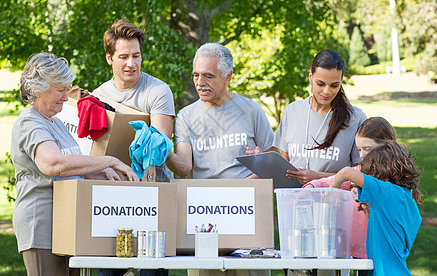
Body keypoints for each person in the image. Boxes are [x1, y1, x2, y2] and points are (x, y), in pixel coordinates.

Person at [11, 53, 139, 276]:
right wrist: (107, 160)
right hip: (41, 227)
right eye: (60, 90)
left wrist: (104, 172)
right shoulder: (29, 122)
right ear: (39, 88)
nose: (65, 97)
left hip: (67, 226)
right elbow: (52, 163)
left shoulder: (56, 122)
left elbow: (71, 169)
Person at [166, 42, 276, 179]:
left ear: (227, 77)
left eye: (208, 76)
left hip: (246, 195)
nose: (200, 83)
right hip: (204, 197)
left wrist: (260, 164)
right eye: (196, 75)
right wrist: (164, 152)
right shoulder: (185, 116)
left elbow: (273, 159)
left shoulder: (252, 110)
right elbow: (183, 169)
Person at [92, 18, 176, 183]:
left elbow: (159, 144)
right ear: (109, 58)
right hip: (112, 183)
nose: (131, 64)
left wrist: (148, 159)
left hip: (153, 184)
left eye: (136, 56)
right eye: (123, 57)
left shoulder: (158, 91)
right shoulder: (98, 97)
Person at [304, 117, 397, 263]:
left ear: (386, 146)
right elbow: (328, 181)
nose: (362, 155)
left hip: (376, 252)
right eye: (359, 149)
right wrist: (311, 186)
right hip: (350, 251)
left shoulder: (394, 181)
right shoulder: (361, 170)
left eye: (368, 149)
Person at [273, 49, 366, 184]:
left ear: (341, 81)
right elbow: (285, 162)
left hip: (333, 200)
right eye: (320, 84)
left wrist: (317, 177)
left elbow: (361, 173)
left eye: (334, 85)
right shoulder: (291, 111)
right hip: (293, 200)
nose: (327, 91)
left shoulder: (356, 118)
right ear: (310, 77)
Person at [331, 140, 423, 276]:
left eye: (369, 174)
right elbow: (390, 229)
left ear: (379, 173)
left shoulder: (386, 192)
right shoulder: (408, 201)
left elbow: (345, 173)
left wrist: (331, 193)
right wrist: (370, 212)